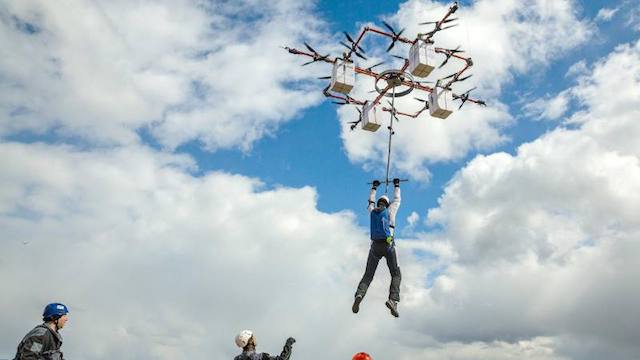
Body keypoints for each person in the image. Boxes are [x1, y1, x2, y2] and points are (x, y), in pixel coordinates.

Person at [352, 178, 402, 317]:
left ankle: (359, 295)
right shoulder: (391, 210)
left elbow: (370, 202)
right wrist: (396, 185)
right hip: (388, 245)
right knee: (395, 273)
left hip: (374, 247)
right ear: (387, 203)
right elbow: (397, 199)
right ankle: (393, 300)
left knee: (368, 275)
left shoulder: (372, 210)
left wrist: (374, 187)